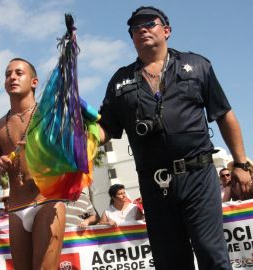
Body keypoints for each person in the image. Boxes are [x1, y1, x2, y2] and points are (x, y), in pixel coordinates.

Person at [98, 6, 251, 270]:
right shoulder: (119, 81)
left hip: (198, 175)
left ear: (166, 30)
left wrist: (240, 163)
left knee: (212, 255)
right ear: (132, 38)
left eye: (150, 23)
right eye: (135, 27)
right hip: (154, 183)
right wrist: (82, 136)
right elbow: (106, 129)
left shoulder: (197, 66)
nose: (142, 29)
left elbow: (224, 114)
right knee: (170, 262)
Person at [0, 58, 66, 270]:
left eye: (19, 73)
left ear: (34, 81)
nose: (12, 77)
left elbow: (73, 158)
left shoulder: (50, 117)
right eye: (8, 74)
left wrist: (43, 150)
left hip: (47, 201)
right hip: (16, 208)